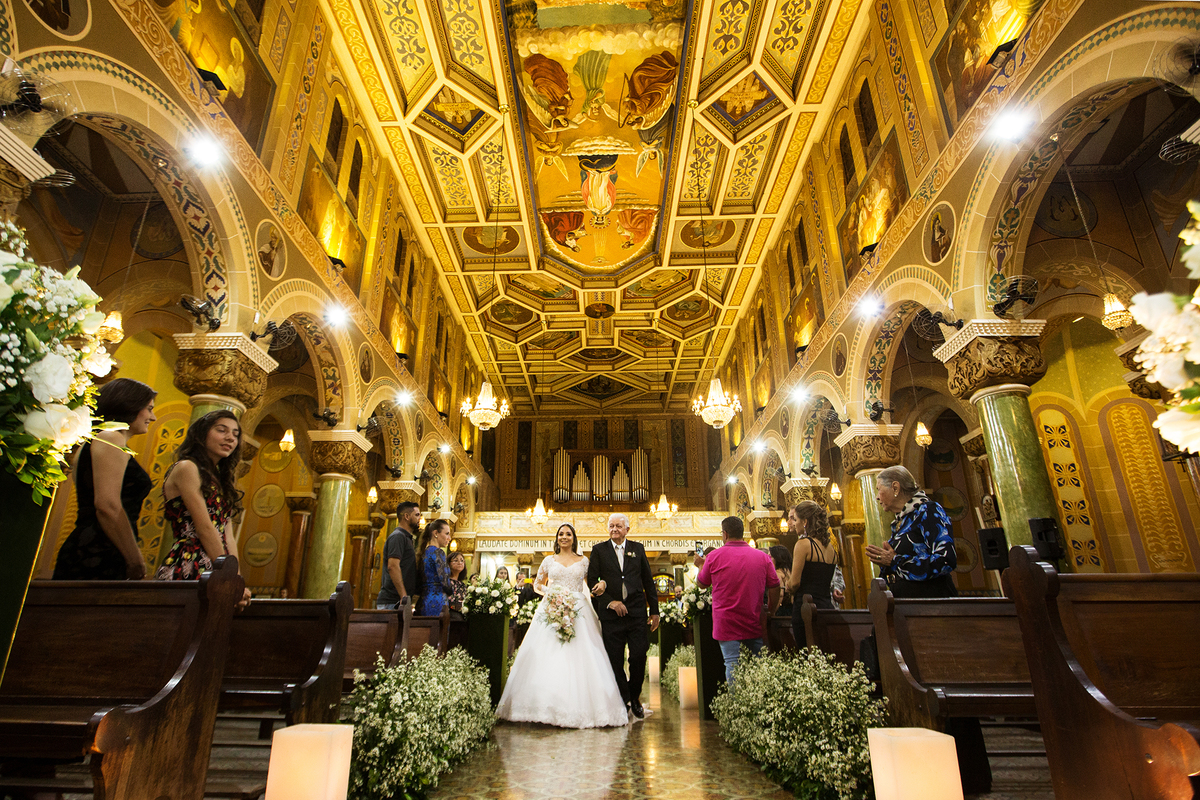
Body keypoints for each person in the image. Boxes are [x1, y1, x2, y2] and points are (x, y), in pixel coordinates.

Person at [497, 523, 629, 728]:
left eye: (568, 534)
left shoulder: (584, 561)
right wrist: (553, 594)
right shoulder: (549, 560)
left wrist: (602, 584)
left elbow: (592, 582)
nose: (564, 537)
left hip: (578, 608)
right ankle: (541, 705)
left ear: (574, 538)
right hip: (552, 606)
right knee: (547, 652)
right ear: (557, 538)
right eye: (561, 534)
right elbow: (538, 584)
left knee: (583, 653)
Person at [54, 378, 157, 580]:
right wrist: (135, 559)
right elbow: (107, 505)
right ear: (129, 405)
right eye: (149, 409)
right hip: (99, 549)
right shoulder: (111, 438)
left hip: (97, 544)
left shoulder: (97, 438)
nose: (153, 417)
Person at [156, 411, 251, 606]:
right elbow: (204, 527)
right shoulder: (186, 467)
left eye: (235, 434)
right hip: (190, 560)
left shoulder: (221, 479)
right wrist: (229, 578)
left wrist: (237, 580)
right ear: (202, 434)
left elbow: (228, 536)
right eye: (221, 430)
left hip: (219, 565)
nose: (230, 438)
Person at [587, 513, 660, 719]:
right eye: (611, 526)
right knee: (614, 660)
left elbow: (648, 580)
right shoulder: (599, 550)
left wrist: (654, 610)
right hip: (611, 616)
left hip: (637, 613)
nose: (614, 529)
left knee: (638, 655)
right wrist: (611, 602)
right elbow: (592, 581)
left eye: (618, 526)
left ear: (627, 529)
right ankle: (624, 697)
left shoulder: (637, 549)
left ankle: (634, 696)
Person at [694, 516, 780, 685]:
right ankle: (759, 704)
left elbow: (702, 584)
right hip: (754, 619)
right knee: (759, 665)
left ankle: (737, 707)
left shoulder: (714, 556)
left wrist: (700, 565)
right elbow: (775, 586)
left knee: (732, 663)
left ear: (725, 534)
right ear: (742, 533)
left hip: (727, 622)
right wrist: (771, 609)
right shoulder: (762, 557)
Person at [867, 465, 958, 598]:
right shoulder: (901, 522)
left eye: (879, 490)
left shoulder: (928, 511)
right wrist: (886, 564)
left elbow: (945, 560)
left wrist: (895, 560)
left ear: (895, 488)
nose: (877, 497)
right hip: (905, 603)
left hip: (932, 602)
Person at [788, 501, 838, 647]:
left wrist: (788, 586)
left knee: (807, 653)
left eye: (795, 520)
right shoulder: (830, 548)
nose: (794, 524)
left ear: (805, 522)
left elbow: (795, 582)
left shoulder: (803, 544)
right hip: (826, 606)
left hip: (806, 608)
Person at [377, 501, 420, 610]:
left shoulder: (406, 538)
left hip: (398, 601)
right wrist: (403, 596)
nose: (419, 518)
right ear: (406, 516)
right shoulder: (398, 537)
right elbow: (393, 566)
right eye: (417, 515)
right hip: (392, 601)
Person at [415, 519, 453, 616]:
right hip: (437, 600)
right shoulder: (438, 552)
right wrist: (452, 591)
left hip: (424, 599)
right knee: (438, 629)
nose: (449, 538)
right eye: (447, 534)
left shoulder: (425, 552)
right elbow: (445, 581)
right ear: (436, 533)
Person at [768, 545, 793, 618]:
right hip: (792, 609)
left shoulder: (778, 573)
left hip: (781, 611)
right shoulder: (790, 571)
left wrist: (772, 613)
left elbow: (780, 595)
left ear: (777, 558)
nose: (768, 559)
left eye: (770, 556)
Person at [447, 550, 468, 617]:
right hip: (450, 615)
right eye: (456, 560)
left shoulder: (462, 584)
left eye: (462, 561)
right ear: (449, 564)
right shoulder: (447, 581)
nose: (460, 563)